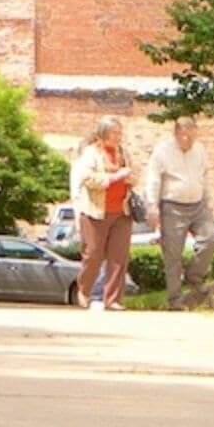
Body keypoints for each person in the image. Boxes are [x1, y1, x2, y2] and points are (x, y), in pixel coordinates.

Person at [142, 117, 214, 309]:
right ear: (175, 133)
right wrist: (152, 206)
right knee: (173, 254)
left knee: (211, 238)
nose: (187, 140)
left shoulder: (199, 150)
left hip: (198, 204)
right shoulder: (163, 151)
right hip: (172, 205)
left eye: (191, 136)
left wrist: (208, 201)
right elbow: (153, 179)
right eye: (183, 136)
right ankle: (175, 299)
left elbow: (205, 176)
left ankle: (193, 275)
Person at [72, 119, 134, 311]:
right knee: (93, 254)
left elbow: (132, 174)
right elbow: (87, 179)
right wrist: (114, 177)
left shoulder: (123, 153)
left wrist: (130, 178)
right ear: (103, 133)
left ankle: (113, 299)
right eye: (114, 132)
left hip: (121, 211)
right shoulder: (91, 153)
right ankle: (84, 290)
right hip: (95, 211)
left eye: (119, 132)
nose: (118, 136)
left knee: (118, 257)